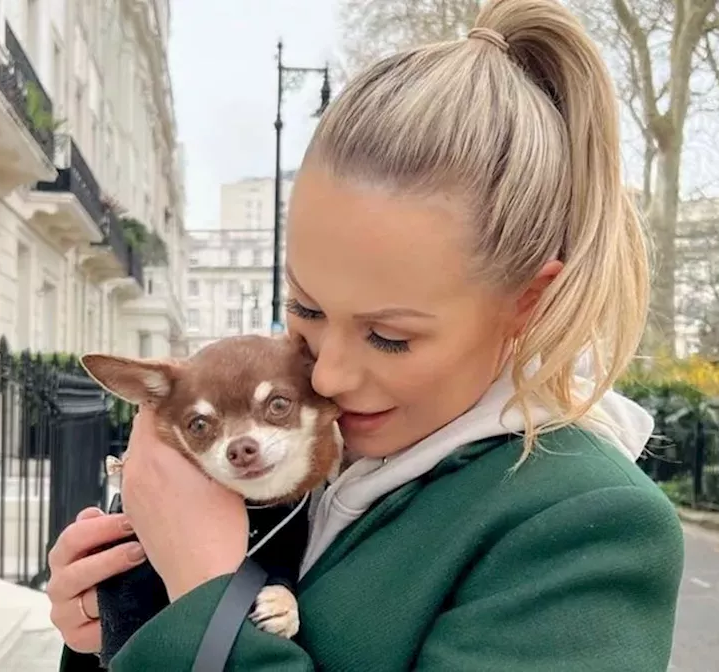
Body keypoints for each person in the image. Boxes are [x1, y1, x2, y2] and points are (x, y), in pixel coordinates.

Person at [46, 0, 683, 668]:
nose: (326, 376)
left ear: (527, 302)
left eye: (388, 336)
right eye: (307, 309)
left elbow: (213, 617)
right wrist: (116, 626)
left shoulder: (588, 527)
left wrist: (204, 595)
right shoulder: (314, 451)